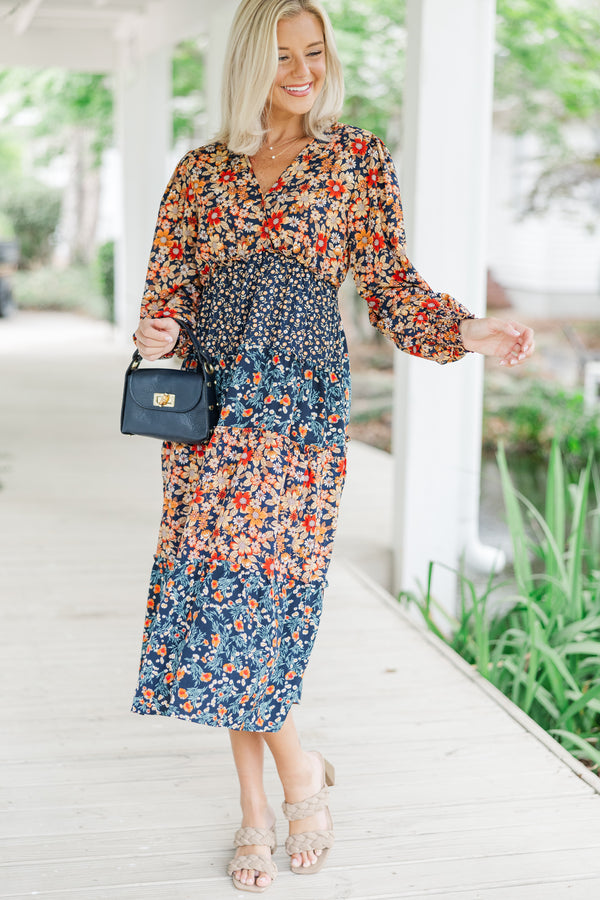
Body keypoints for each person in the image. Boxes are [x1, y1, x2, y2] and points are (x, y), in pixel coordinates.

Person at [130, 0, 535, 891]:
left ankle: (290, 784)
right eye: (282, 57)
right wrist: (157, 336)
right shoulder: (199, 173)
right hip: (212, 411)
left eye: (313, 53)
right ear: (248, 65)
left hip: (300, 412)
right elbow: (166, 294)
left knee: (264, 596)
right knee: (220, 595)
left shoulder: (354, 159)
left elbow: (390, 285)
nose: (303, 71)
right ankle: (269, 799)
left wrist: (471, 331)